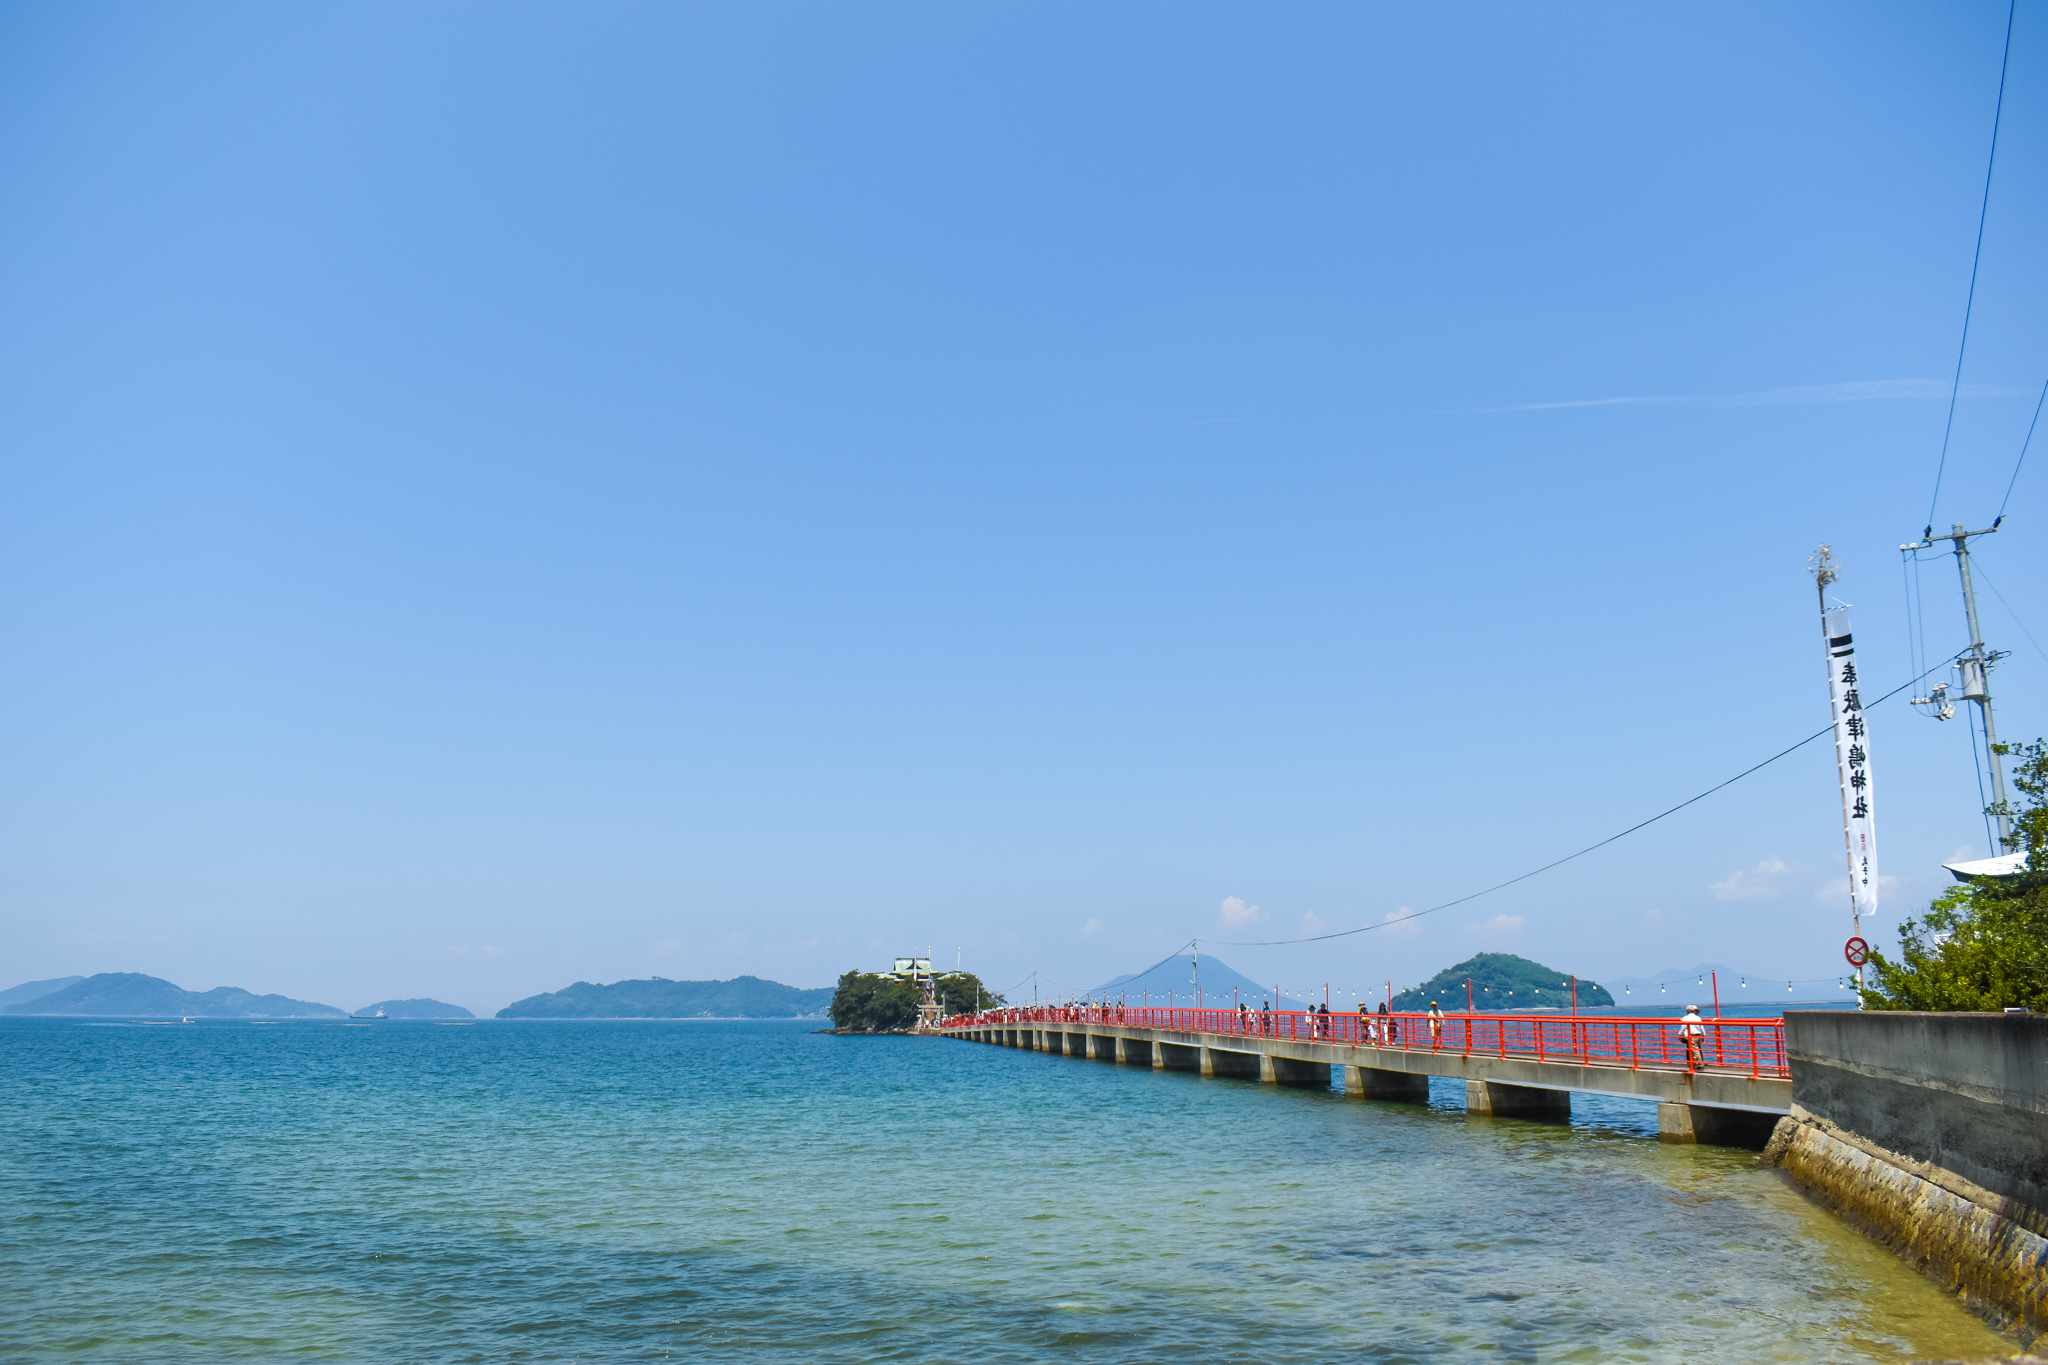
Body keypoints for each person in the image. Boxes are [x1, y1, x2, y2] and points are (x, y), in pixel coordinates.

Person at [1680, 1005, 1706, 1069]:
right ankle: (1697, 1062)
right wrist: (1703, 1036)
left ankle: (1699, 1064)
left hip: (1691, 1035)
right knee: (1697, 1048)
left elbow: (1683, 1027)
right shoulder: (1698, 1018)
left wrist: (1680, 1034)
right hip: (1698, 1034)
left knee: (1694, 1049)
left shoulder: (1686, 1018)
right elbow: (1702, 1028)